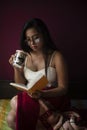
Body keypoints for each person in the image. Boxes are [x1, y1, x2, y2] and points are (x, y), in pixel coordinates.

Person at [7, 18, 87, 130]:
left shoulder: (56, 56)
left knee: (15, 101)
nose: (32, 43)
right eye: (28, 40)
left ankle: (54, 117)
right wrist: (15, 68)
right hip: (32, 97)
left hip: (52, 97)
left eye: (36, 38)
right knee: (11, 119)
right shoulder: (24, 55)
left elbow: (63, 88)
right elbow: (20, 85)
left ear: (44, 35)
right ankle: (53, 121)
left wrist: (42, 94)